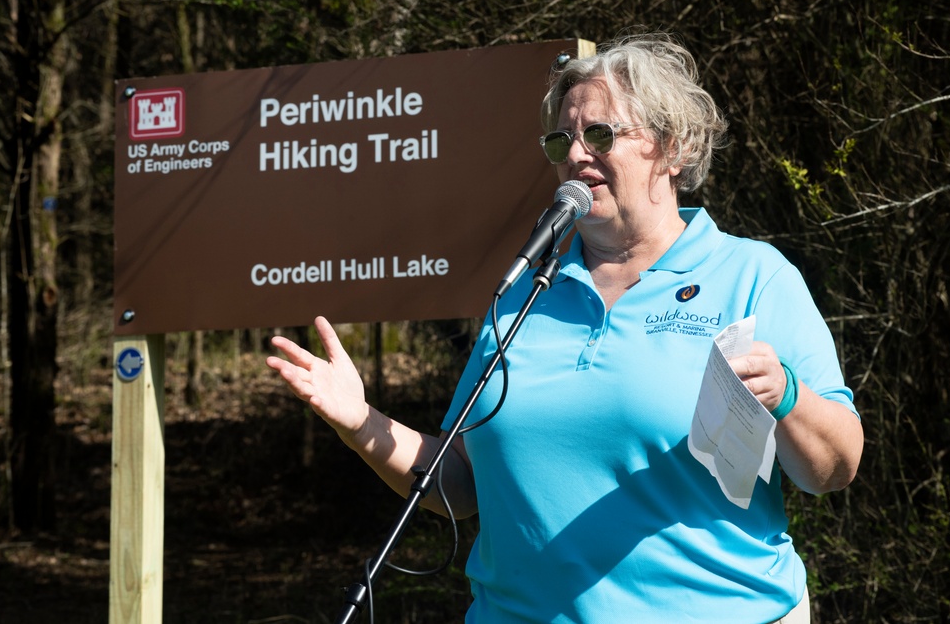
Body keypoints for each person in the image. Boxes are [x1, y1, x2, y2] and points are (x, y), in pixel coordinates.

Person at [266, 31, 864, 623]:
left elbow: (835, 469)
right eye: (563, 140)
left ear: (674, 148)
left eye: (601, 134)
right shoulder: (524, 295)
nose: (578, 155)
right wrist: (358, 421)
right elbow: (460, 483)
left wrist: (787, 394)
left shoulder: (751, 276)